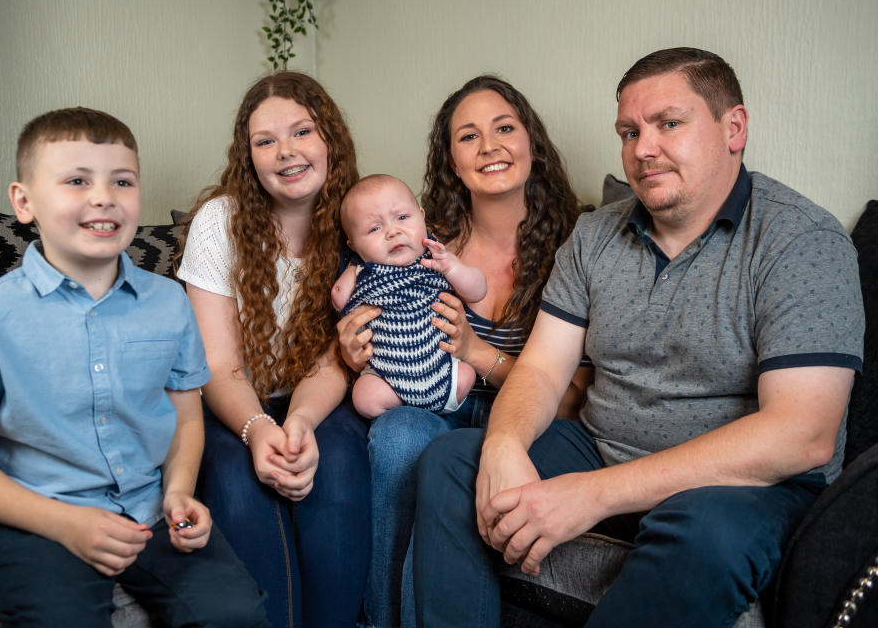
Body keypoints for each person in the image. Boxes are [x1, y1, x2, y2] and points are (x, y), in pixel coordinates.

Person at [412, 47, 866, 627]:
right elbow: (543, 370)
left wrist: (594, 495)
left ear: (734, 128)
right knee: (453, 460)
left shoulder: (801, 241)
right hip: (602, 444)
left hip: (739, 486)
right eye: (629, 131)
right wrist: (502, 447)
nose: (643, 149)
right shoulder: (595, 234)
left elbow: (802, 435)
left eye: (668, 124)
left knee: (707, 536)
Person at [0, 107, 268, 627]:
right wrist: (65, 524)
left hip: (149, 510)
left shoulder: (169, 303)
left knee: (236, 614)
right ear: (24, 201)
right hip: (35, 520)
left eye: (122, 181)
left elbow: (186, 416)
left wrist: (178, 492)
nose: (103, 196)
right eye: (77, 180)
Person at [337, 76, 588, 628]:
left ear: (531, 142)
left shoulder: (579, 244)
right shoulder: (419, 238)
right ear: (452, 161)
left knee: (439, 460)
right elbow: (360, 293)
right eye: (468, 137)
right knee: (402, 437)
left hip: (525, 420)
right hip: (429, 403)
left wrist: (477, 352)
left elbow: (577, 405)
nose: (490, 146)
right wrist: (356, 351)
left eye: (504, 128)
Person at [176, 72, 370, 628]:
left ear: (329, 138)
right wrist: (259, 429)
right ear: (249, 157)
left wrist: (303, 420)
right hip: (231, 398)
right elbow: (217, 364)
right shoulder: (223, 222)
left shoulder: (357, 223)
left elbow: (340, 355)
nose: (286, 152)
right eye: (265, 141)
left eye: (302, 131)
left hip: (318, 395)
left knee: (337, 462)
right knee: (238, 481)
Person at [333, 174, 487, 417]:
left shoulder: (437, 260)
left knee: (466, 374)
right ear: (353, 245)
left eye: (403, 217)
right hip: (388, 377)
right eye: (374, 228)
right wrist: (352, 270)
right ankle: (405, 411)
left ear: (423, 217)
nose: (392, 232)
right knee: (363, 396)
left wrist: (454, 268)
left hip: (443, 371)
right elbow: (339, 300)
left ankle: (443, 405)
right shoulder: (363, 272)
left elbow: (478, 291)